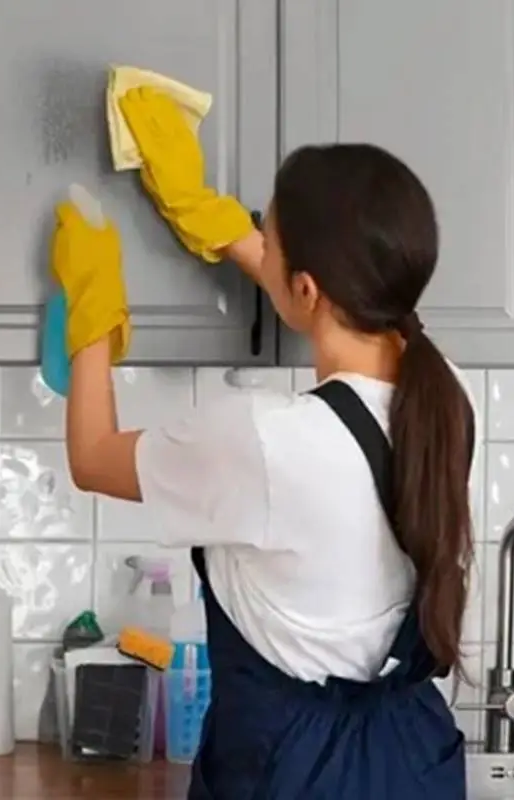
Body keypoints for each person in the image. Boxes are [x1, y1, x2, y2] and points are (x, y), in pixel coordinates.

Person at [50, 87, 475, 799]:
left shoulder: (264, 440)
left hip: (292, 770)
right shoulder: (445, 398)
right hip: (413, 755)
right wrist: (205, 215)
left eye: (266, 238)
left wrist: (91, 304)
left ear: (305, 288)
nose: (260, 245)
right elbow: (349, 303)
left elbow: (92, 458)